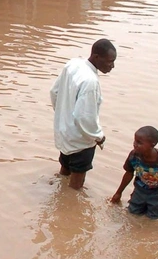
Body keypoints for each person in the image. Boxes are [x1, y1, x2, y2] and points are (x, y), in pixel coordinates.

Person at [50, 38, 117, 190]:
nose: (112, 66)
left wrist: (63, 116)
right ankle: (69, 208)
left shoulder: (73, 64)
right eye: (110, 61)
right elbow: (84, 117)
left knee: (64, 169)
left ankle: (60, 193)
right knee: (76, 185)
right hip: (81, 142)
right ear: (96, 57)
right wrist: (98, 136)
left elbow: (54, 92)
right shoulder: (90, 81)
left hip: (65, 133)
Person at [110, 126, 158, 223]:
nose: (135, 145)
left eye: (139, 143)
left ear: (152, 145)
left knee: (154, 220)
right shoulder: (134, 155)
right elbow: (129, 173)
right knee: (132, 214)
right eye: (134, 141)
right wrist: (118, 193)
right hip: (140, 191)